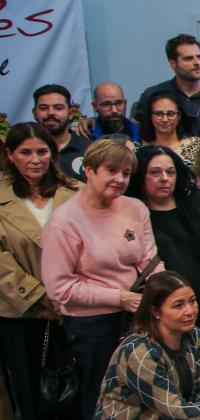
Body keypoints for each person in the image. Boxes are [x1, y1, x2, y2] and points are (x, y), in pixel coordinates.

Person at [40, 139, 161, 420]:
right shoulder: (64, 221)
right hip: (91, 326)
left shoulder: (135, 208)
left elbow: (150, 262)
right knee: (101, 397)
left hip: (136, 316)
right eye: (111, 170)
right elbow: (60, 288)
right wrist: (118, 297)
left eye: (126, 173)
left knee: (143, 393)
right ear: (89, 170)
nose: (119, 179)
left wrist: (165, 292)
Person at [126, 145, 200, 400]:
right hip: (166, 316)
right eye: (155, 172)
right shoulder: (132, 214)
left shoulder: (199, 202)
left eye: (170, 171)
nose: (164, 178)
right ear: (140, 176)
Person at [0, 122, 81, 420]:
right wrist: (41, 296)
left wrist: (67, 294)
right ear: (10, 154)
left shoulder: (76, 192)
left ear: (53, 153)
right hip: (21, 313)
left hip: (74, 309)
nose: (35, 159)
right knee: (33, 395)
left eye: (42, 151)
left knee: (79, 394)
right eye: (25, 152)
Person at [94, 272, 200, 420]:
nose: (190, 311)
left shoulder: (195, 335)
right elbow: (173, 408)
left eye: (192, 301)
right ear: (155, 311)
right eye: (178, 305)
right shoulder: (138, 351)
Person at [134, 34, 200, 136]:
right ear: (173, 63)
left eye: (199, 57)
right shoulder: (153, 94)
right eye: (188, 59)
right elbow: (137, 132)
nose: (197, 62)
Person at [31, 84, 93, 181]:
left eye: (58, 108)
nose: (51, 112)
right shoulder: (26, 152)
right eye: (43, 108)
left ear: (71, 114)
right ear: (35, 113)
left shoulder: (91, 150)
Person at [138, 91, 200, 163]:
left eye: (170, 114)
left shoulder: (195, 145)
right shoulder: (138, 148)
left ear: (179, 116)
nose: (165, 119)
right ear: (150, 116)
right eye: (159, 114)